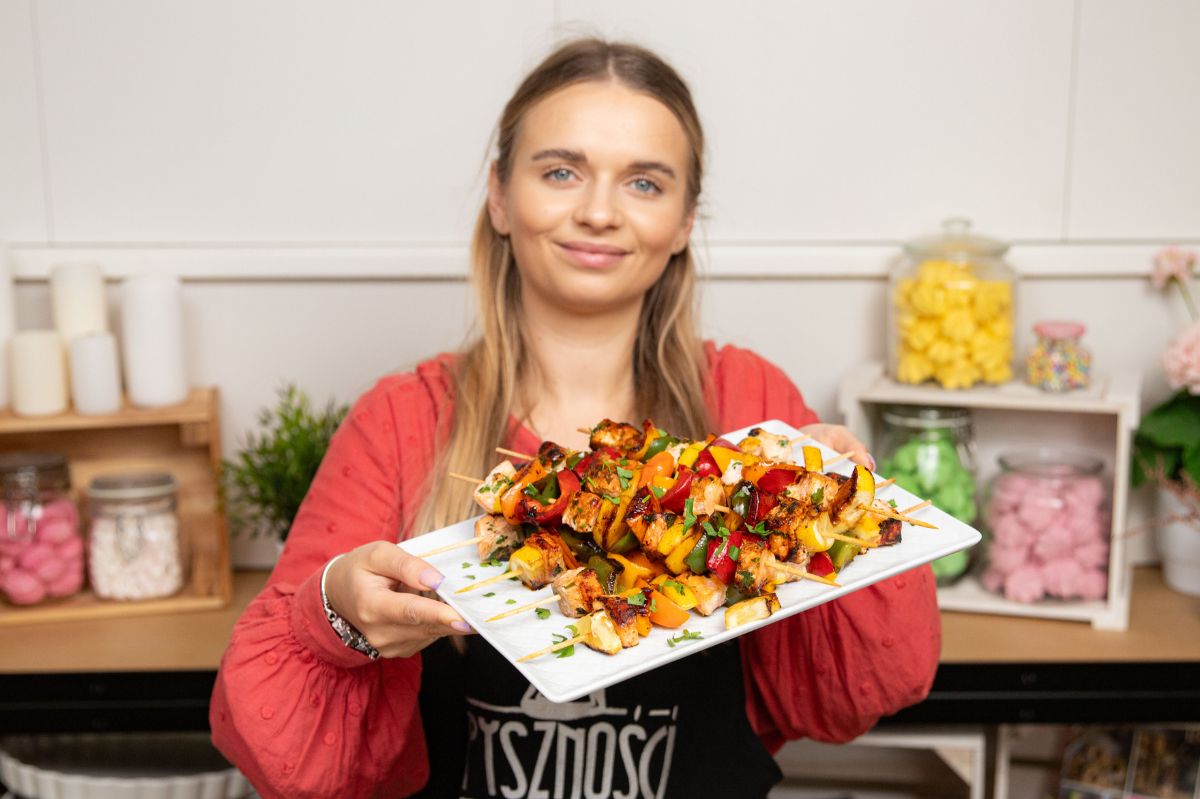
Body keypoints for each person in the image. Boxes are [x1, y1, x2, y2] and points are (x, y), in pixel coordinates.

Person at [210, 38, 941, 799]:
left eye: (645, 183)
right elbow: (276, 752)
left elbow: (866, 689)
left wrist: (852, 508)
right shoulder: (403, 420)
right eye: (561, 171)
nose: (597, 212)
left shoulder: (748, 402)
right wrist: (334, 617)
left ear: (686, 220)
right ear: (499, 196)